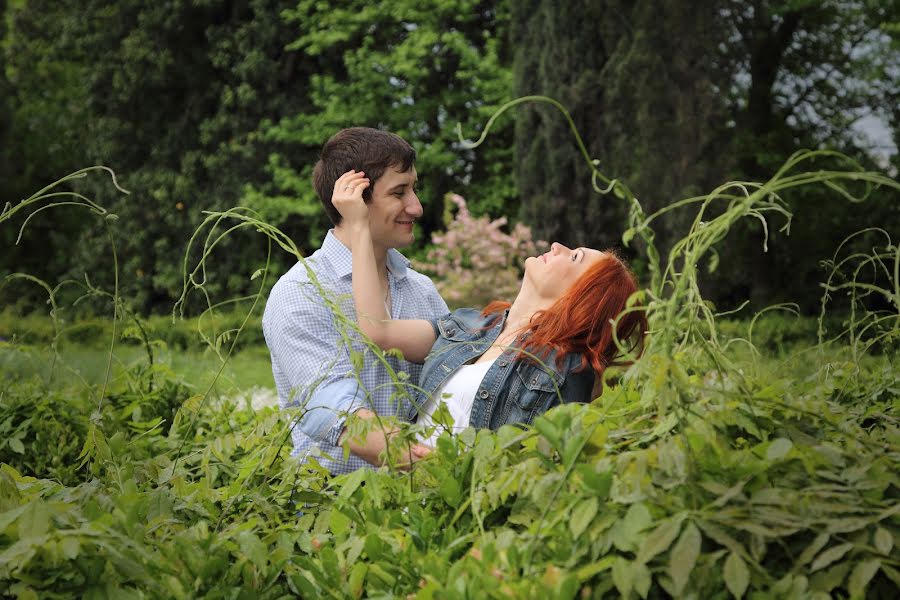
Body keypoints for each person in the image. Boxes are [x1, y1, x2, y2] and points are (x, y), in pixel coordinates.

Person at [332, 170, 647, 447]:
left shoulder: (565, 370)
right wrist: (359, 227)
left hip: (469, 509)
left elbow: (536, 466)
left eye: (575, 257)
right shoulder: (472, 325)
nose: (557, 246)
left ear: (584, 296)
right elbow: (377, 330)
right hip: (414, 507)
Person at [262, 128, 448, 475]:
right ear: (356, 199)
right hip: (336, 509)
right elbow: (341, 418)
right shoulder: (301, 294)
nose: (417, 207)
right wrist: (456, 469)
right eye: (399, 192)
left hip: (422, 502)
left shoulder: (421, 289)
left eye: (414, 188)